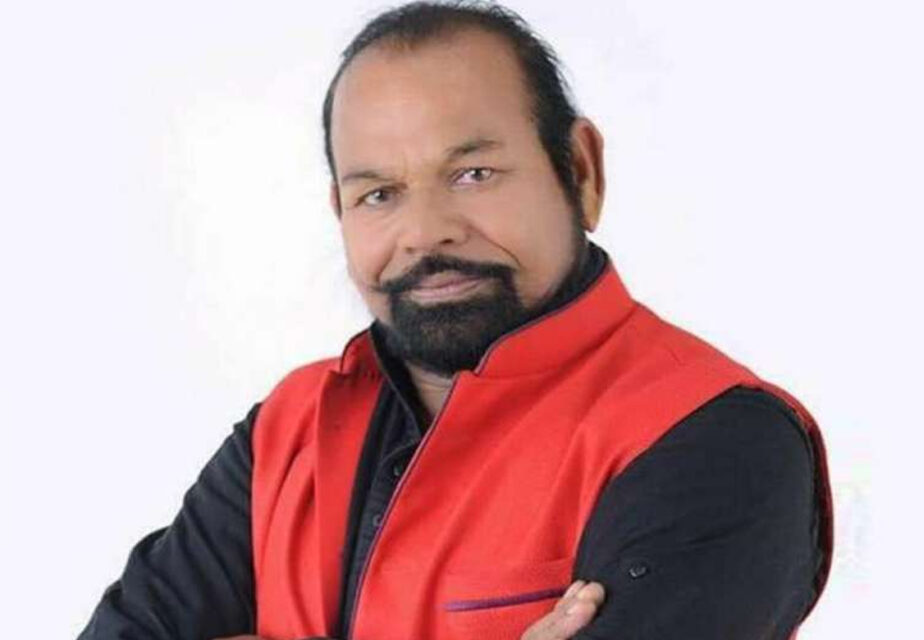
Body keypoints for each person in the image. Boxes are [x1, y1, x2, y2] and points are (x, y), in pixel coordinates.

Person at [77, 2, 833, 639]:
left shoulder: (717, 439)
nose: (425, 233)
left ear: (580, 172)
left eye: (473, 174)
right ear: (340, 211)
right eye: (378, 194)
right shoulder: (286, 431)